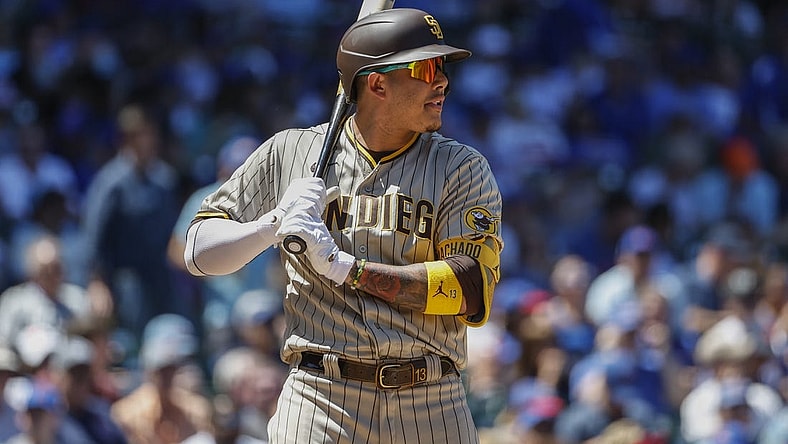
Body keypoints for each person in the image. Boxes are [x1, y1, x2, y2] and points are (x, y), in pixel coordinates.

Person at [184, 8, 503, 443]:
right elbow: (198, 251)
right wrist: (271, 225)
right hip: (319, 395)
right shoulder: (291, 151)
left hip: (429, 400)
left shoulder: (460, 167)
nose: (442, 80)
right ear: (376, 83)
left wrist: (345, 268)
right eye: (426, 67)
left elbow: (469, 288)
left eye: (443, 67)